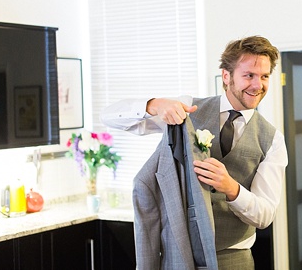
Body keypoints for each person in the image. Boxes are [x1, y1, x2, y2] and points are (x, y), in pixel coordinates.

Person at [102, 36, 288, 269]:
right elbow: (109, 116)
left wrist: (231, 188)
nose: (257, 85)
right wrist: (155, 104)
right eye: (249, 75)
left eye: (264, 76)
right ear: (227, 76)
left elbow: (265, 216)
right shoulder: (187, 109)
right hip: (179, 254)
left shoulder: (273, 140)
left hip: (233, 259)